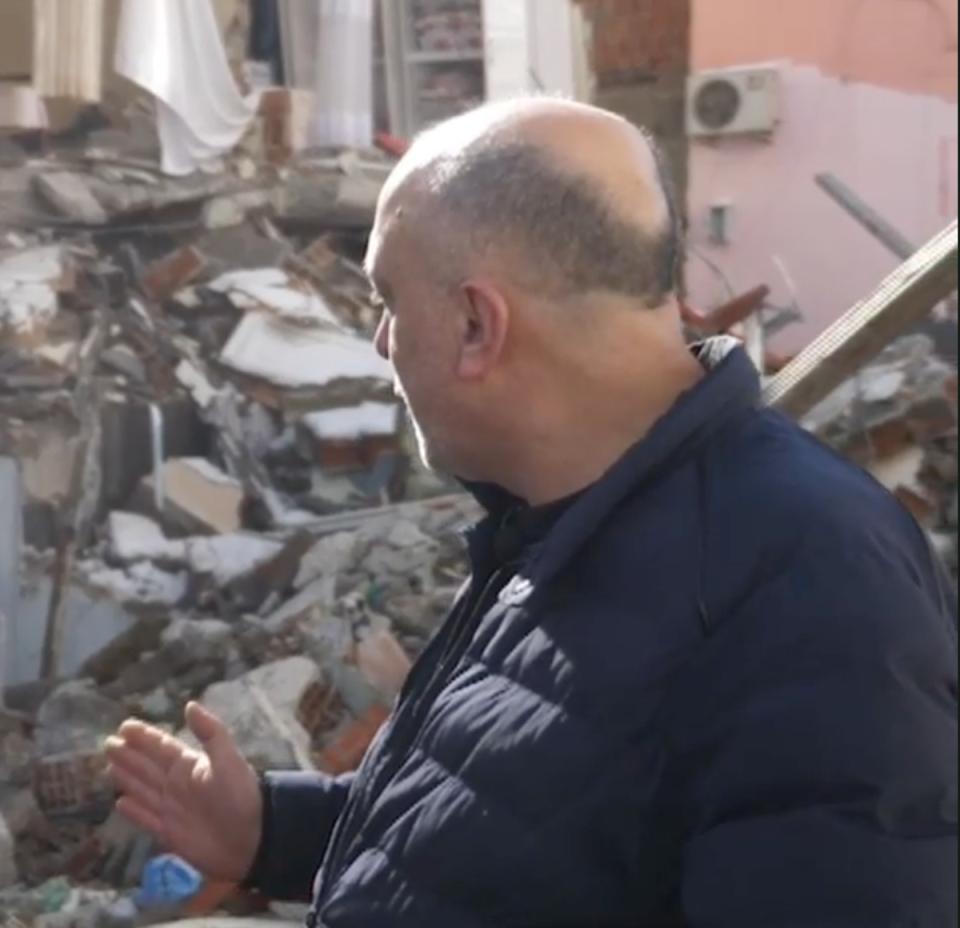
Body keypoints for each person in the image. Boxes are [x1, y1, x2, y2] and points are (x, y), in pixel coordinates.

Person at [106, 97, 958, 927]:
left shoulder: (809, 584)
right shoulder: (560, 520)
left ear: (478, 324)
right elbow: (518, 835)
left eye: (387, 302)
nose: (379, 344)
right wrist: (271, 831)